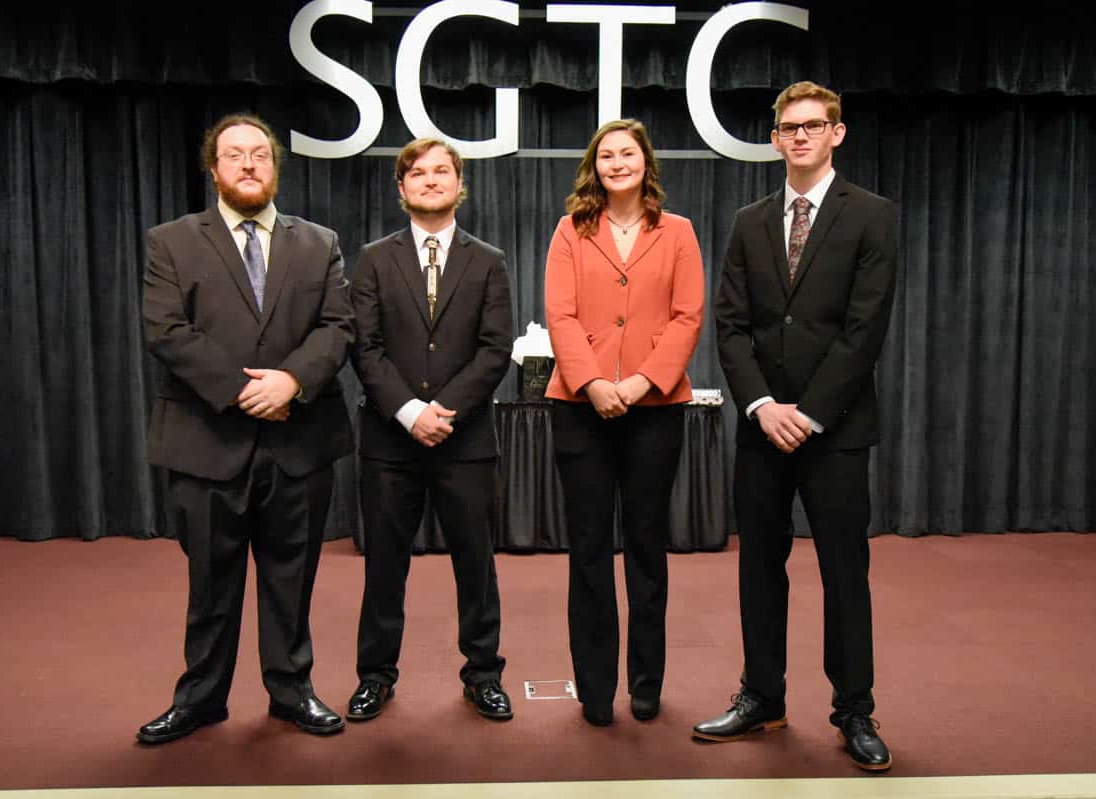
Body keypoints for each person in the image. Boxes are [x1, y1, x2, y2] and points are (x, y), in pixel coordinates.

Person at [695, 81, 899, 771]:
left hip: (834, 430)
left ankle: (855, 710)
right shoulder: (749, 221)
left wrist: (808, 412)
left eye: (814, 125)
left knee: (845, 571)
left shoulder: (873, 216)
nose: (802, 136)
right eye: (790, 127)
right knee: (759, 567)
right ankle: (762, 695)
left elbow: (863, 331)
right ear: (776, 138)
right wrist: (761, 406)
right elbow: (729, 325)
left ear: (837, 133)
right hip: (762, 428)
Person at [138, 113, 354, 743]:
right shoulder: (170, 241)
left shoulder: (320, 242)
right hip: (206, 443)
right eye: (236, 155)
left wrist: (290, 382)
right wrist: (244, 392)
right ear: (215, 170)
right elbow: (166, 331)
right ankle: (201, 698)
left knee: (292, 580)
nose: (250, 164)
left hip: (300, 443)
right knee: (210, 586)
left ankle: (291, 691)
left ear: (275, 166)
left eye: (260, 153)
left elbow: (337, 327)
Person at [347, 137, 515, 722]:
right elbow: (363, 349)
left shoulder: (488, 259)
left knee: (476, 562)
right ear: (401, 189)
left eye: (442, 171)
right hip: (389, 443)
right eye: (417, 173)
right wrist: (409, 412)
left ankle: (484, 674)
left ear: (459, 184)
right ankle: (375, 675)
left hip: (465, 440)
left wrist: (444, 410)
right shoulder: (371, 259)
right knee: (384, 565)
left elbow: (495, 351)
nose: (430, 180)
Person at [544, 119, 705, 726]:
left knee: (645, 549)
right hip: (580, 410)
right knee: (587, 551)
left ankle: (645, 682)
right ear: (594, 166)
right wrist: (593, 382)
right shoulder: (570, 231)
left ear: (646, 163)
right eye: (606, 155)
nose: (617, 163)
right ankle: (593, 689)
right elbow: (559, 315)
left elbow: (688, 317)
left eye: (628, 153)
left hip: (655, 411)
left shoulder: (680, 232)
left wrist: (639, 383)